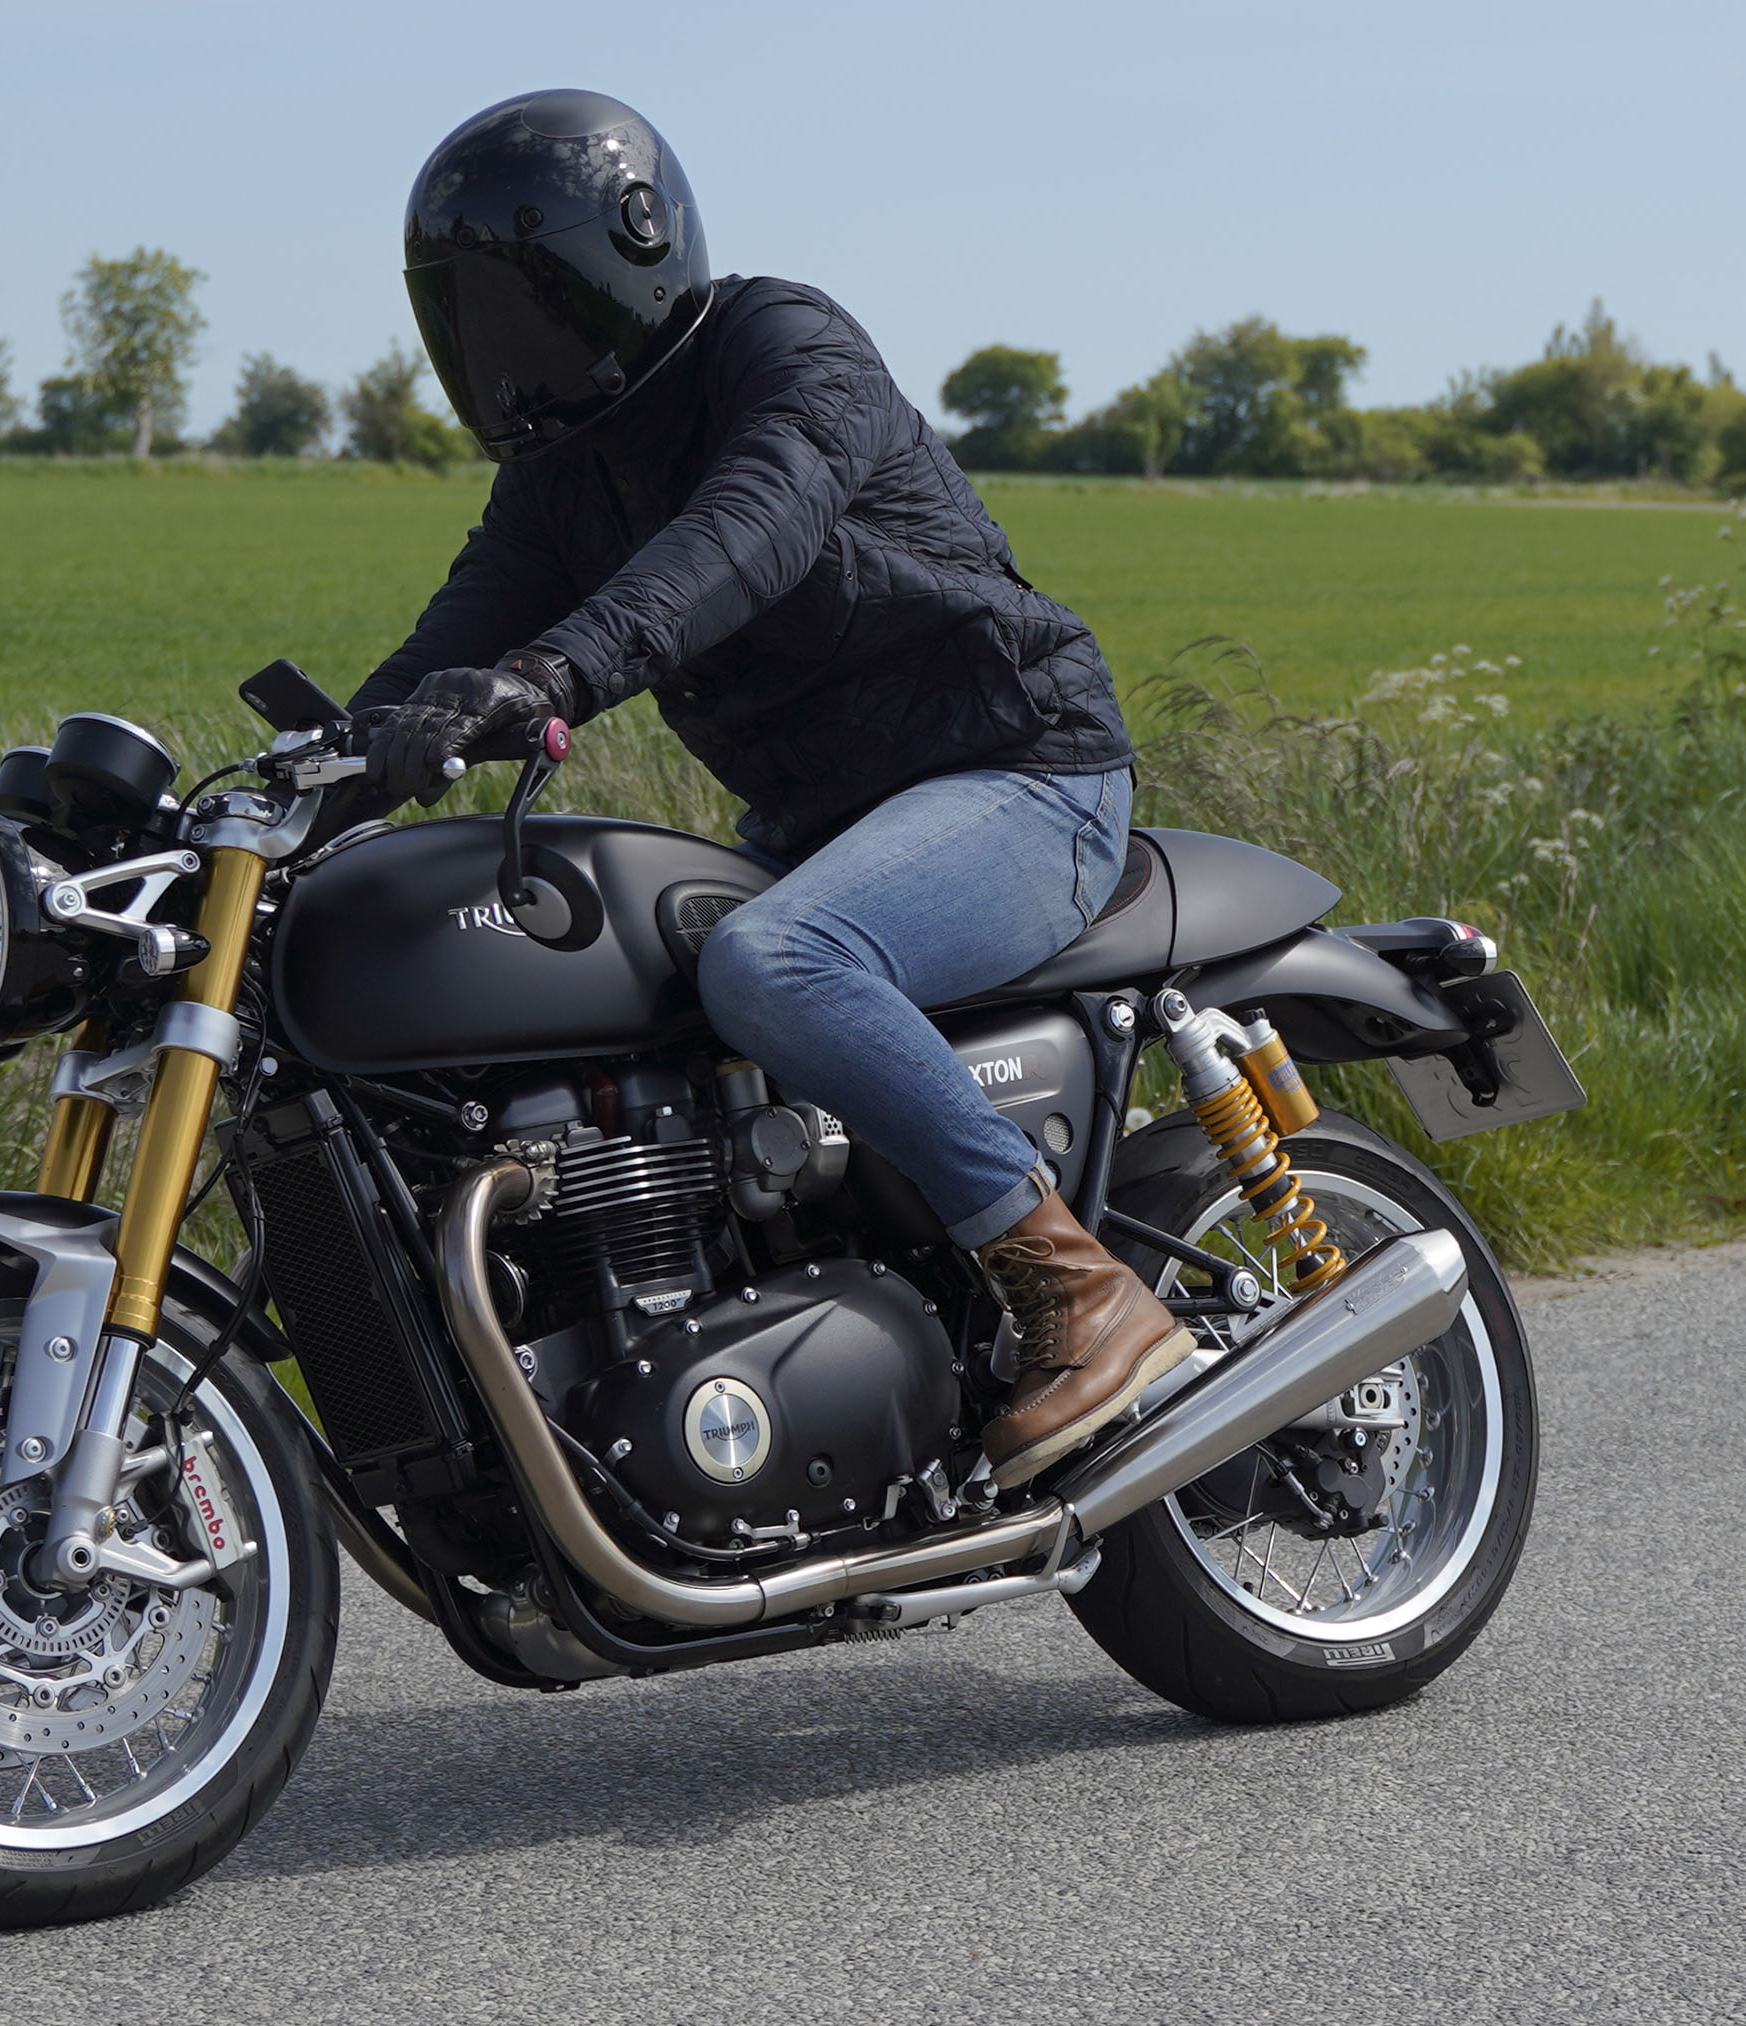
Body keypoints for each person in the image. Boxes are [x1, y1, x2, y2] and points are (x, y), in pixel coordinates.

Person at [343, 89, 1195, 1486]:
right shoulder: (559, 477)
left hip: (1019, 772)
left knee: (774, 961)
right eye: (467, 311)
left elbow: (749, 533)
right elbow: (451, 642)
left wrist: (551, 674)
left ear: (622, 253)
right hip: (826, 829)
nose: (499, 347)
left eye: (522, 300)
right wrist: (306, 777)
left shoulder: (785, 347)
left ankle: (1078, 1286)